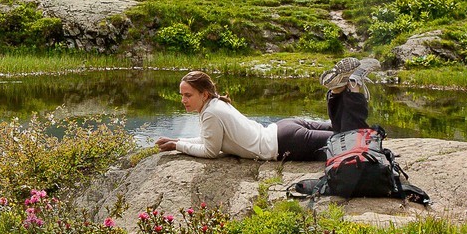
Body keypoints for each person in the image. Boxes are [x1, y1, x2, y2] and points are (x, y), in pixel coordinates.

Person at [154, 59, 379, 161]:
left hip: (285, 143)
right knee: (341, 131)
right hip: (284, 128)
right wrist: (179, 139)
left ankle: (353, 88)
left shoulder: (211, 113)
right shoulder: (216, 104)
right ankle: (339, 90)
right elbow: (208, 140)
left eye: (187, 95)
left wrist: (177, 145)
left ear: (203, 94)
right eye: (182, 95)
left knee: (352, 141)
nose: (183, 100)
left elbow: (211, 151)